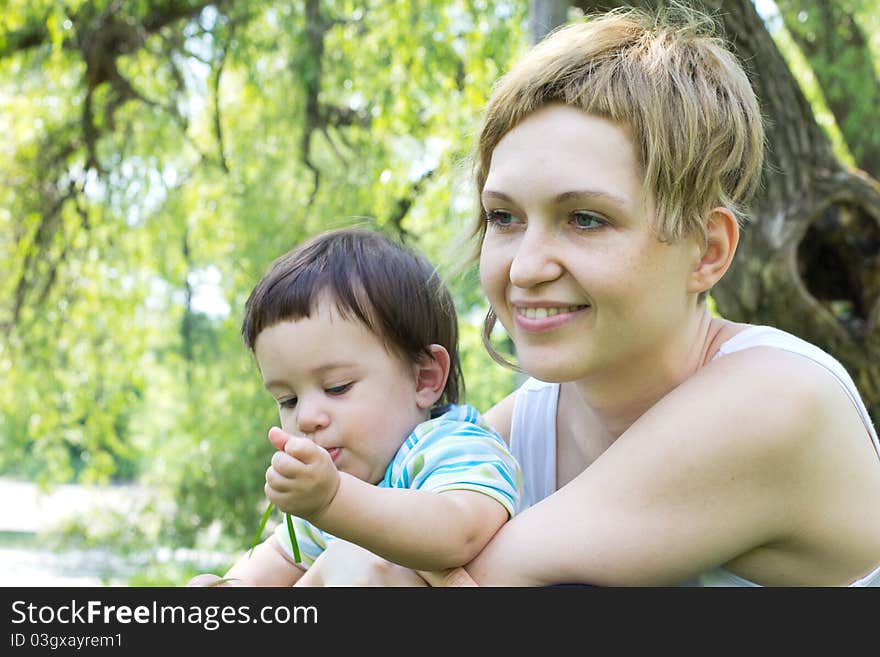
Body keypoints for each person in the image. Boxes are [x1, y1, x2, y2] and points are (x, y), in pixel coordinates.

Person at [297, 5, 880, 587]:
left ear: (706, 251)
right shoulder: (518, 430)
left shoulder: (777, 399)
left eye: (585, 218)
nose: (525, 268)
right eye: (504, 217)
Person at [187, 227, 520, 586]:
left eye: (337, 387)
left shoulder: (452, 447)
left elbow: (459, 532)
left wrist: (332, 501)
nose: (306, 418)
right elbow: (281, 556)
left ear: (424, 378)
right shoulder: (335, 486)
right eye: (288, 400)